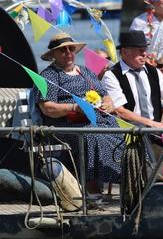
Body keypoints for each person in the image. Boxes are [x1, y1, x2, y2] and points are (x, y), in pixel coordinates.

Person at [34, 32, 122, 194]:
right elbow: (48, 108)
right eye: (63, 50)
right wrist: (75, 108)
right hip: (66, 125)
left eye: (71, 49)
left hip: (99, 121)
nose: (68, 53)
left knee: (129, 137)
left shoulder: (85, 71)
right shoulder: (48, 76)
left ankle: (136, 179)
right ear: (53, 54)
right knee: (92, 137)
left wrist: (108, 105)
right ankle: (94, 191)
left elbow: (105, 94)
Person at [102, 30, 163, 165]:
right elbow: (120, 111)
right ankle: (156, 184)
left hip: (157, 129)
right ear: (125, 52)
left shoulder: (154, 72)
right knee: (150, 159)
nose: (144, 54)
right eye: (139, 50)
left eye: (145, 49)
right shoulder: (112, 75)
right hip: (132, 131)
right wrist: (150, 124)